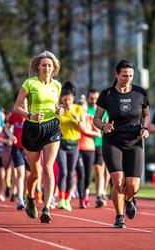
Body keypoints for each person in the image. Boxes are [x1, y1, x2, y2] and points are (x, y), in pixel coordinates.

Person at [93, 60, 150, 228]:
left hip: (135, 142)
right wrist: (103, 125)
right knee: (118, 181)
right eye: (125, 75)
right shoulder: (107, 94)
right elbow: (96, 118)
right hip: (113, 142)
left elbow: (146, 114)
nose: (128, 79)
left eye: (131, 76)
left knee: (132, 185)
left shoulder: (140, 93)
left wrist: (145, 128)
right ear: (116, 74)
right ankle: (119, 216)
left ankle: (129, 198)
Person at [13, 51, 63, 224]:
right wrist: (30, 115)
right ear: (38, 67)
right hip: (32, 129)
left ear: (54, 68)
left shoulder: (57, 85)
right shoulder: (29, 83)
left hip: (52, 128)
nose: (47, 68)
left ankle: (47, 208)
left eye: (50, 65)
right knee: (35, 173)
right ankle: (30, 197)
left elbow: (56, 106)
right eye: (44, 65)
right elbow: (17, 107)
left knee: (48, 168)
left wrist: (59, 111)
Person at [56, 81, 84, 211]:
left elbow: (83, 127)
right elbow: (54, 124)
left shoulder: (78, 109)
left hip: (74, 144)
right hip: (61, 143)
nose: (67, 102)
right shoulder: (59, 109)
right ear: (62, 99)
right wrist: (58, 115)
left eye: (70, 100)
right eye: (65, 100)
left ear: (73, 99)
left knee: (72, 172)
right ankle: (61, 199)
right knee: (64, 172)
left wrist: (78, 119)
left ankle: (67, 199)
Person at [75, 96, 100, 208]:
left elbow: (98, 133)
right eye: (80, 108)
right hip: (78, 149)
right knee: (81, 174)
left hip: (90, 149)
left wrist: (86, 131)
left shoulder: (90, 117)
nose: (82, 110)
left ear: (86, 108)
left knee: (88, 177)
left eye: (83, 108)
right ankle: (81, 199)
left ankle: (85, 193)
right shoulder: (74, 118)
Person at [87, 88, 108, 207]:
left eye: (96, 98)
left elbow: (107, 124)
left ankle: (100, 194)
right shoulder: (85, 111)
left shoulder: (104, 112)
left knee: (99, 170)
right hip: (87, 145)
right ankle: (85, 193)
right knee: (90, 172)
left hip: (100, 144)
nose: (94, 100)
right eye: (92, 98)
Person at [7, 109, 31, 210]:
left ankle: (27, 197)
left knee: (28, 175)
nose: (23, 106)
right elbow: (7, 127)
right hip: (17, 148)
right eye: (21, 104)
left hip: (29, 149)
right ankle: (20, 200)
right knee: (20, 173)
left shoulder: (32, 115)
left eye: (25, 103)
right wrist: (11, 136)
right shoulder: (14, 116)